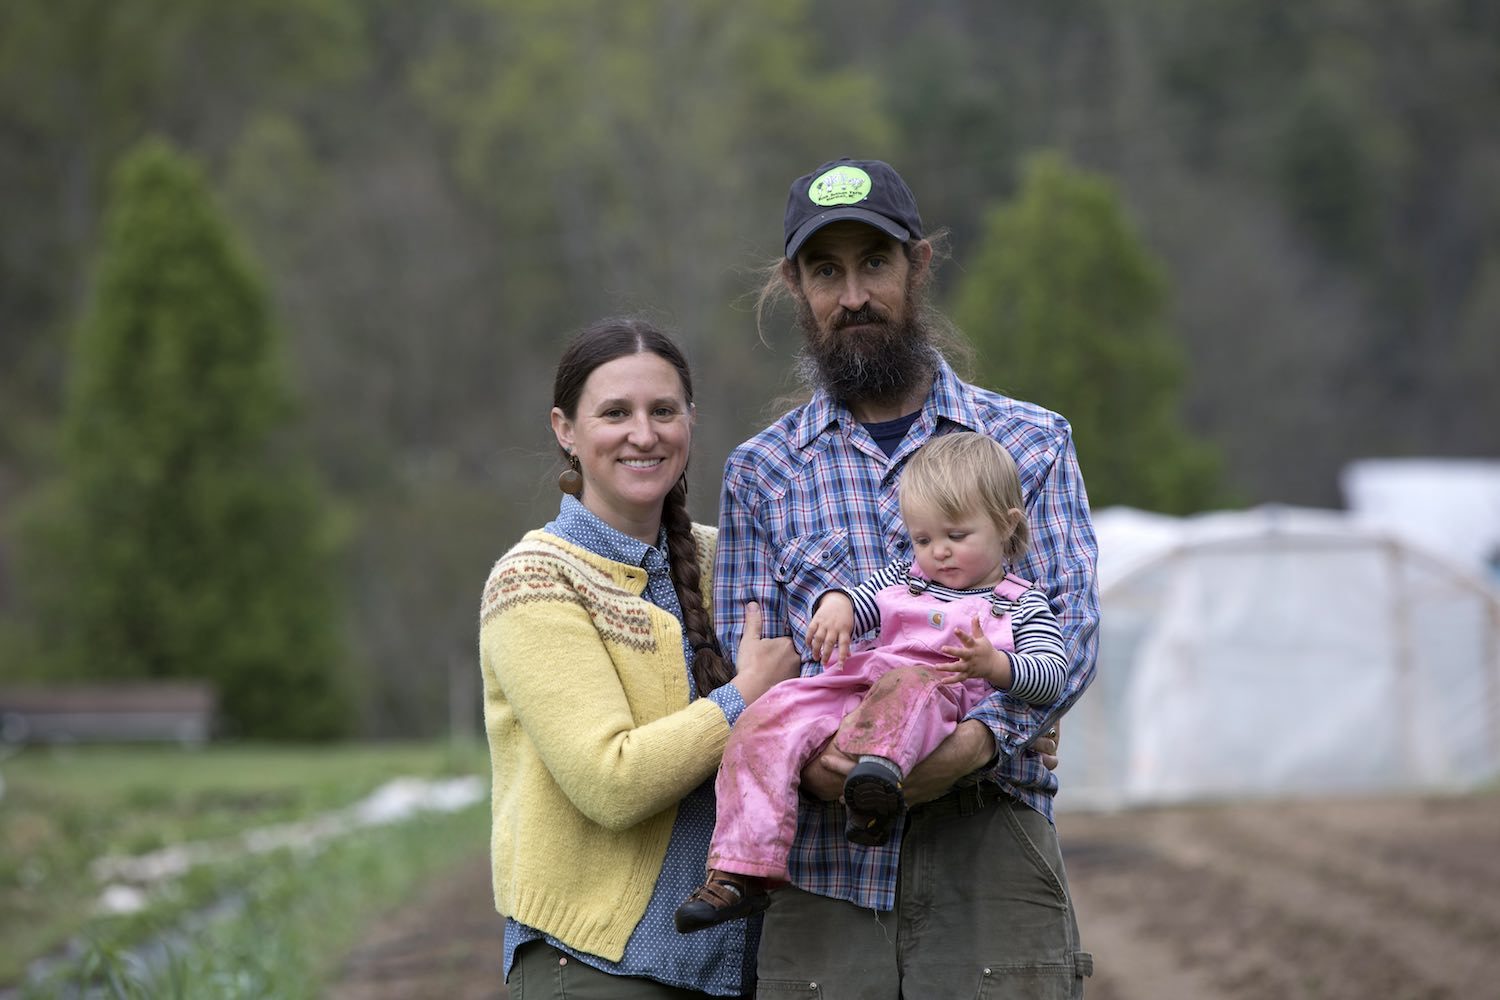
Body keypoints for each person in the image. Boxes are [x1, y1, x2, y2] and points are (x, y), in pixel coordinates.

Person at [713, 157, 1099, 997]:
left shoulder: (1030, 443)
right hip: (823, 876)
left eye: (875, 264)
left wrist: (971, 744)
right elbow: (740, 661)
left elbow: (1071, 633)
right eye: (826, 271)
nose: (853, 295)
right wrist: (816, 762)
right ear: (795, 287)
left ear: (918, 266)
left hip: (987, 843)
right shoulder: (761, 475)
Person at [477, 317, 800, 999]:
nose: (644, 434)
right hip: (597, 965)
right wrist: (746, 695)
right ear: (565, 428)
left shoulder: (727, 561)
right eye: (615, 413)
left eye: (663, 411)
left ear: (691, 420)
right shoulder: (533, 580)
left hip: (738, 966)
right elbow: (610, 781)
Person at [675, 432, 1066, 932]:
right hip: (862, 686)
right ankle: (740, 867)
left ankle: (875, 787)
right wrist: (835, 606)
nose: (938, 552)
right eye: (923, 540)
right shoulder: (904, 578)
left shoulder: (1021, 604)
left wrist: (997, 667)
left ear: (1006, 526)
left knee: (910, 685)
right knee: (767, 718)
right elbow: (859, 600)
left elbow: (1052, 677)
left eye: (956, 536)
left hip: (937, 694)